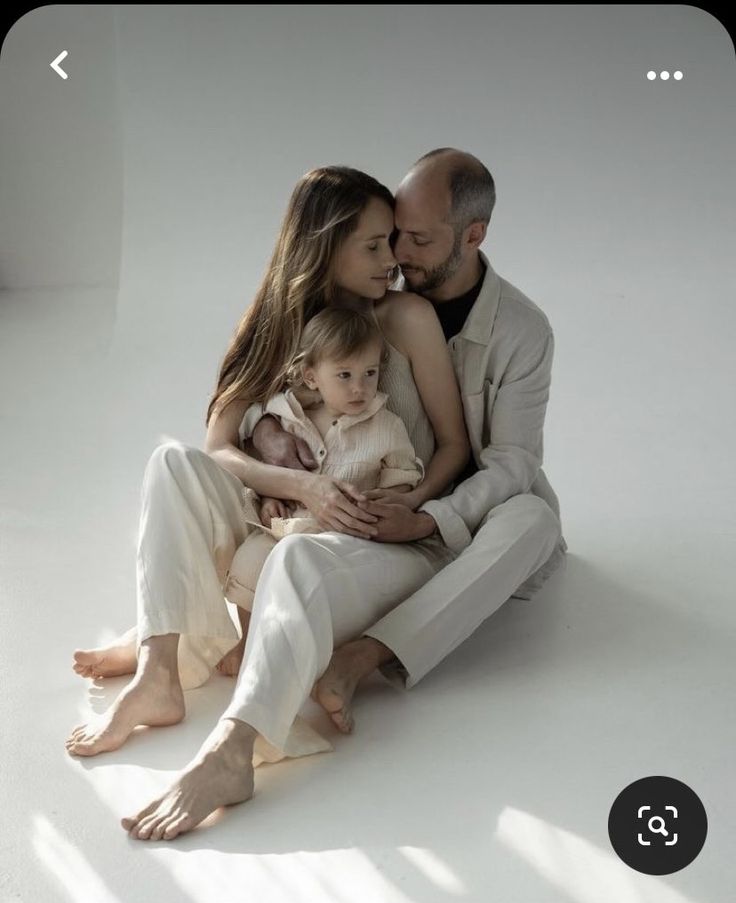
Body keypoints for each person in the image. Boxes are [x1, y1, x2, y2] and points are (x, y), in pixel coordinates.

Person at [65, 164, 470, 841]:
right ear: (323, 246)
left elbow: (455, 444)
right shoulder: (277, 324)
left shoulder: (407, 317)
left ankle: (235, 748)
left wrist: (412, 510)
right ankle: (159, 676)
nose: (391, 259)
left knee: (295, 563)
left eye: (390, 241)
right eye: (372, 245)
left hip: (386, 539)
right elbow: (219, 447)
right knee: (172, 463)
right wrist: (304, 486)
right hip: (298, 518)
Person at [247, 147, 567, 736]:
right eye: (393, 235)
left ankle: (363, 655)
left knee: (535, 520)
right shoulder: (367, 296)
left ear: (473, 236)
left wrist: (429, 517)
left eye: (417, 240)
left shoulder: (523, 331)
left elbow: (514, 460)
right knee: (216, 486)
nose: (397, 254)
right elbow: (292, 372)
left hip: (466, 512)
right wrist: (266, 427)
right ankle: (186, 628)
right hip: (374, 499)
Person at [216, 305, 426, 679]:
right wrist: (268, 500)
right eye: (344, 375)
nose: (359, 387)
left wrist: (396, 498)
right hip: (286, 528)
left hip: (343, 541)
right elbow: (269, 473)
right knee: (249, 562)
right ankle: (249, 639)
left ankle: (297, 651)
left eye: (370, 373)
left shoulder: (387, 426)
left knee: (313, 588)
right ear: (311, 377)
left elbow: (401, 473)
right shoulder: (287, 421)